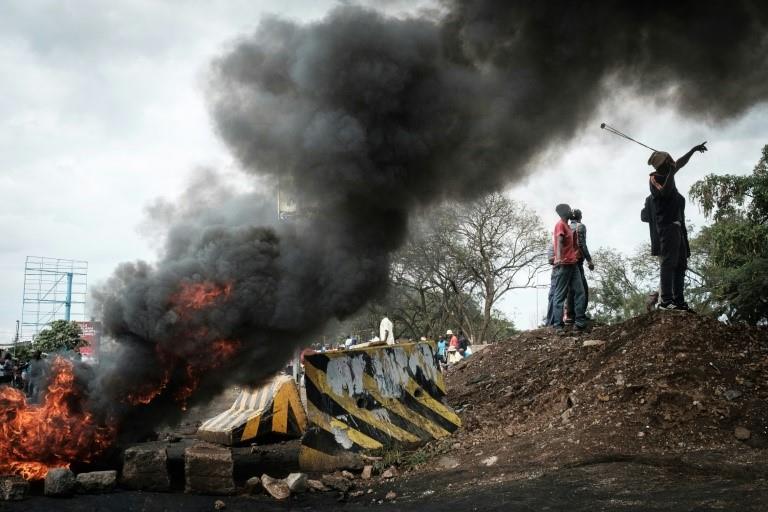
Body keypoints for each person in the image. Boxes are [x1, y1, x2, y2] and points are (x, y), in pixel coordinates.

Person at [648, 143, 707, 310]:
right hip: (667, 228)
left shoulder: (669, 172)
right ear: (665, 163)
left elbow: (680, 163)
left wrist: (693, 149)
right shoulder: (655, 178)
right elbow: (664, 192)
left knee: (680, 264)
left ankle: (679, 301)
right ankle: (665, 301)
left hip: (678, 228)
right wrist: (672, 174)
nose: (673, 161)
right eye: (670, 160)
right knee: (668, 263)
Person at [551, 204, 587, 334]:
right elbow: (559, 242)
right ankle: (558, 326)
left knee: (580, 292)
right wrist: (559, 259)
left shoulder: (568, 225)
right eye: (569, 209)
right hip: (564, 265)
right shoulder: (560, 225)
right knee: (560, 295)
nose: (571, 211)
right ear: (563, 212)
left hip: (573, 264)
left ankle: (580, 322)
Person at [565, 209, 595, 323]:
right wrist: (589, 260)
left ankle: (569, 316)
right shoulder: (580, 226)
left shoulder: (566, 227)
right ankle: (580, 314)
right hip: (577, 261)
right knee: (583, 289)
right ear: (580, 217)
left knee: (571, 289)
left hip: (566, 262)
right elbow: (582, 244)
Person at [641, 194, 661, 311]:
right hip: (667, 239)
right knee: (668, 270)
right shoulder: (671, 195)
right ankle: (660, 300)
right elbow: (644, 216)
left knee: (667, 269)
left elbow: (644, 216)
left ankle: (658, 297)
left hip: (659, 240)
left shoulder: (650, 198)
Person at [545, 240, 558, 326]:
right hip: (556, 271)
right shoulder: (552, 243)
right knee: (553, 295)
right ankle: (550, 322)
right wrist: (562, 257)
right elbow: (550, 260)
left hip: (570, 270)